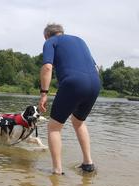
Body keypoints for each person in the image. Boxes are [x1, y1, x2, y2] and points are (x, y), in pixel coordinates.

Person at [38, 23, 100, 175]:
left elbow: (47, 67)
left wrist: (44, 93)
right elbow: (96, 66)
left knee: (54, 127)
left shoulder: (50, 42)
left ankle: (57, 170)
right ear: (62, 32)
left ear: (47, 35)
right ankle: (88, 163)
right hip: (95, 83)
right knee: (78, 122)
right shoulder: (80, 40)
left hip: (73, 83)